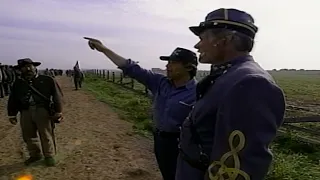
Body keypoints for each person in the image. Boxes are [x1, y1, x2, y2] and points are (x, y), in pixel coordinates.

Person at [176, 8, 286, 180]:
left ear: (225, 40)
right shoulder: (227, 75)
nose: (197, 46)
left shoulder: (251, 83)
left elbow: (237, 166)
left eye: (202, 38)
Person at [83, 37, 198, 180]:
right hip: (160, 141)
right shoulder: (160, 83)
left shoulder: (199, 92)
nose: (168, 66)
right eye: (168, 62)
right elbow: (131, 68)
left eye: (173, 63)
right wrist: (104, 49)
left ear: (188, 67)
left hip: (182, 145)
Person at [7, 58, 64, 167]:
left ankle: (49, 155)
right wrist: (12, 114)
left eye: (30, 66)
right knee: (28, 135)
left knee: (46, 134)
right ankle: (35, 155)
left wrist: (58, 111)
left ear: (34, 67)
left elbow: (57, 96)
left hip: (42, 110)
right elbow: (13, 99)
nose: (28, 69)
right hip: (25, 111)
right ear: (20, 69)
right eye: (24, 67)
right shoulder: (18, 83)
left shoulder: (47, 79)